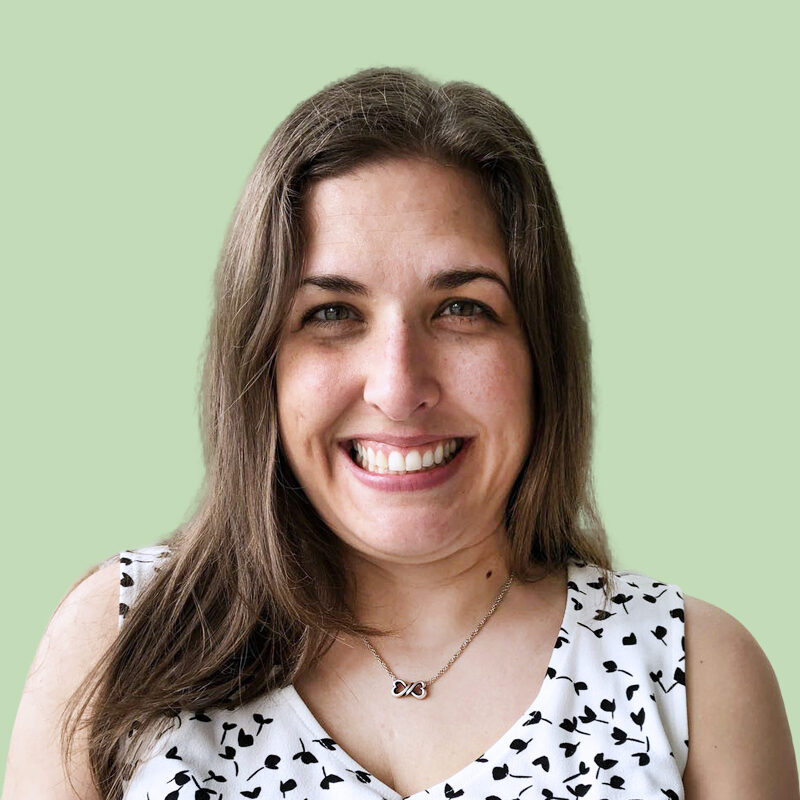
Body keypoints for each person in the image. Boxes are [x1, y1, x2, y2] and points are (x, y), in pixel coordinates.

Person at [2, 67, 797, 800]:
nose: (398, 386)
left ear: (541, 351)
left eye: (462, 308)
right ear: (260, 365)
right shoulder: (122, 639)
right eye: (332, 314)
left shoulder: (693, 675)